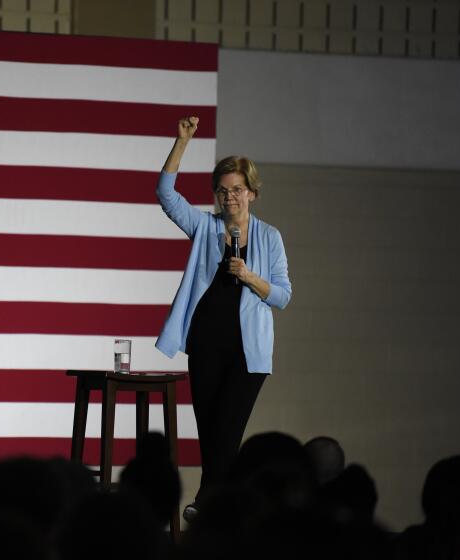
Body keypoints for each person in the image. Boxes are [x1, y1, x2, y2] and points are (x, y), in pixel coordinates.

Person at [155, 117, 292, 522]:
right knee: (211, 432)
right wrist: (181, 142)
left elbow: (283, 295)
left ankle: (211, 504)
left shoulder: (269, 238)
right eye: (222, 190)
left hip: (248, 353)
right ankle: (219, 508)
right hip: (206, 344)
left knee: (226, 431)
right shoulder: (204, 227)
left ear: (252, 193)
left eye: (236, 190)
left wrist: (249, 276)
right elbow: (165, 193)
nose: (229, 197)